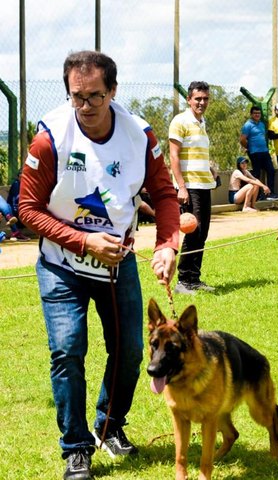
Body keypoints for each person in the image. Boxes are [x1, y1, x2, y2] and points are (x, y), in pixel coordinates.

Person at [18, 50, 179, 480]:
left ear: (113, 91)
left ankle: (109, 426)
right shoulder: (49, 137)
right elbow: (28, 208)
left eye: (94, 96)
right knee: (68, 351)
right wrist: (85, 240)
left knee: (129, 352)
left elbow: (164, 195)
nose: (85, 107)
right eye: (76, 97)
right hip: (61, 265)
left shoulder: (139, 136)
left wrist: (166, 244)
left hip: (117, 265)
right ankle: (75, 450)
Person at [169, 81, 217, 294]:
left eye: (205, 98)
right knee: (193, 230)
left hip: (204, 183)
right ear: (189, 99)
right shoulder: (180, 121)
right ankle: (183, 281)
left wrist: (210, 170)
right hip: (189, 186)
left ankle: (194, 279)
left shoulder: (202, 122)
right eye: (198, 98)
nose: (202, 102)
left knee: (202, 232)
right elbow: (173, 156)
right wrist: (181, 187)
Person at [239, 105, 278, 201]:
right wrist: (249, 147)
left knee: (271, 171)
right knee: (256, 174)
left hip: (265, 152)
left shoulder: (261, 124)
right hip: (254, 153)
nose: (257, 115)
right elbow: (242, 139)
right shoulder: (247, 125)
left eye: (258, 113)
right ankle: (257, 196)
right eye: (255, 113)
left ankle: (270, 193)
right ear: (251, 114)